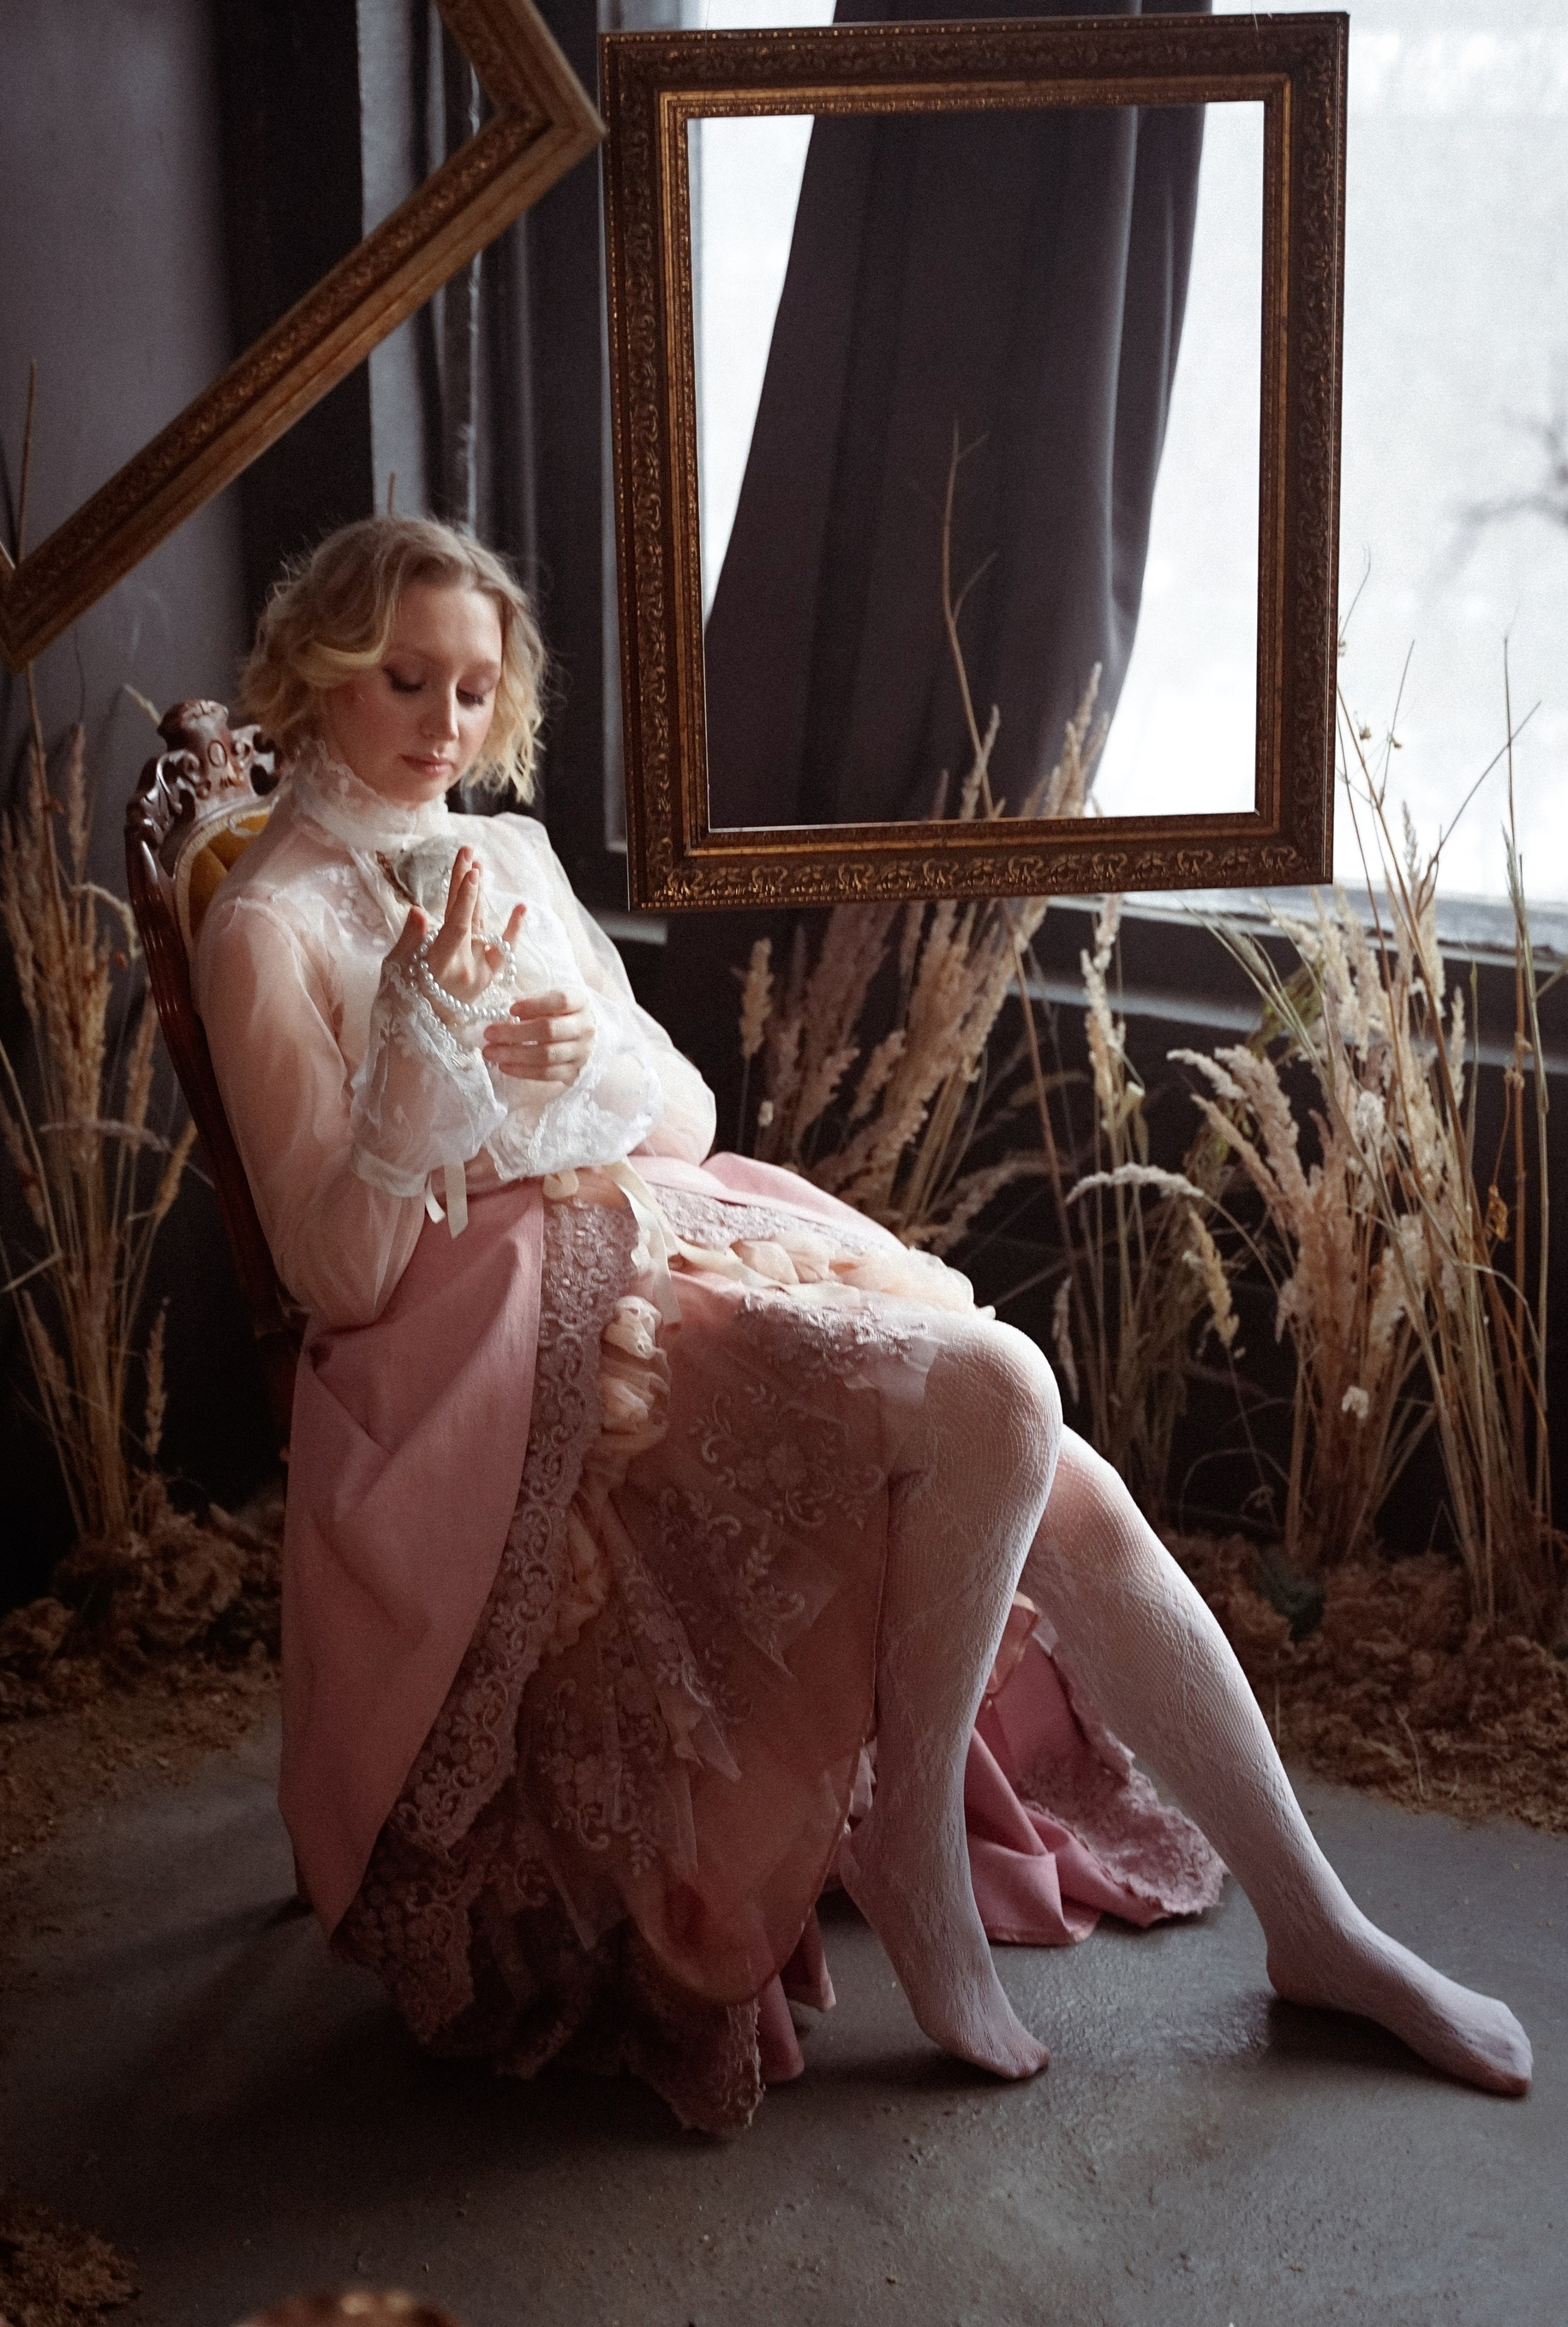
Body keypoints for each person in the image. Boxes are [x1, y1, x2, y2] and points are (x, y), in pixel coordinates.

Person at [194, 517, 1530, 2132]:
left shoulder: (513, 856)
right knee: (999, 1385)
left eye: (476, 689)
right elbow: (338, 1277)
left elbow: (682, 1111)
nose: (445, 725)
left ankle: (1321, 1926)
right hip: (479, 1339)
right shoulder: (267, 923)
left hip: (656, 1223)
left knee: (1062, 1479)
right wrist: (417, 1074)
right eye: (407, 680)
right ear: (321, 666)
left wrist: (576, 1059)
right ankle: (911, 1850)